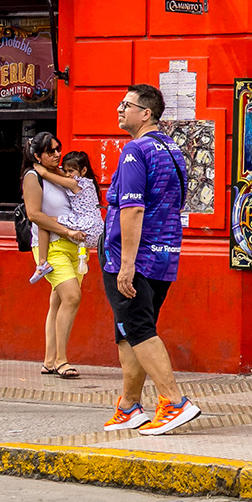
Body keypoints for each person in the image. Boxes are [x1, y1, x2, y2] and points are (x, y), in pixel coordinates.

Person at [101, 83, 201, 436]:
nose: (119, 109)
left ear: (146, 113)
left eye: (125, 104)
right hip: (165, 253)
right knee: (130, 331)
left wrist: (126, 265)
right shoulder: (172, 149)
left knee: (138, 329)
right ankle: (129, 406)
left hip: (133, 256)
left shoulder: (134, 151)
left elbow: (132, 208)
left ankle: (173, 401)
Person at [26, 139, 98, 377]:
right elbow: (34, 214)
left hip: (75, 246)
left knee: (57, 302)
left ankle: (49, 360)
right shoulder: (34, 177)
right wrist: (65, 230)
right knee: (72, 296)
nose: (57, 154)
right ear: (38, 156)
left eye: (58, 149)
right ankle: (61, 360)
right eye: (50, 151)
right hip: (54, 245)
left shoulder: (65, 176)